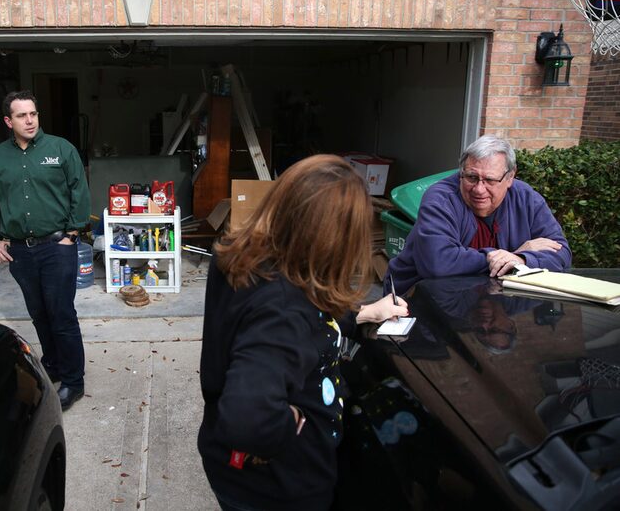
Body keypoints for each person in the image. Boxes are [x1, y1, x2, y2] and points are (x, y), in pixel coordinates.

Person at [198, 154, 408, 511]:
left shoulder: (255, 261)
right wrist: (289, 422)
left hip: (237, 471)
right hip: (279, 486)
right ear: (333, 238)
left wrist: (361, 314)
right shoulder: (282, 307)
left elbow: (307, 322)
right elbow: (247, 417)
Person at [0, 90, 91, 411]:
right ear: (7, 121)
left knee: (61, 314)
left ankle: (73, 380)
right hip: (21, 252)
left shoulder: (60, 149)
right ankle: (53, 364)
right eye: (21, 116)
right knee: (38, 312)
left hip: (57, 246)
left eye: (33, 114)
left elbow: (78, 190)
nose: (29, 121)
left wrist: (72, 232)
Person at [385, 135, 571, 296]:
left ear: (510, 177)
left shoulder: (525, 198)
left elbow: (561, 253)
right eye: (471, 177)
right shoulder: (440, 199)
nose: (479, 189)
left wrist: (522, 259)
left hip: (487, 302)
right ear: (461, 173)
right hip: (416, 299)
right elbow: (438, 264)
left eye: (490, 180)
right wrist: (508, 257)